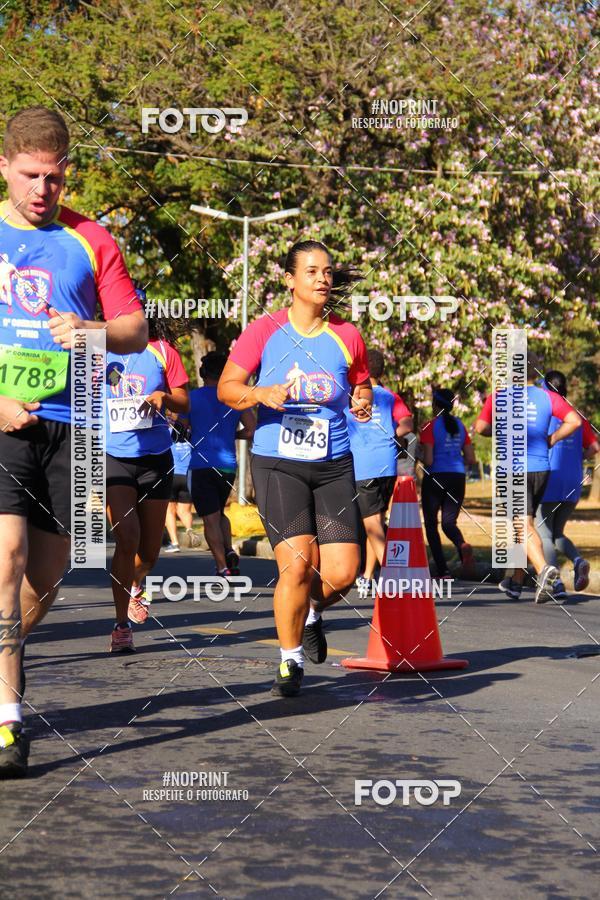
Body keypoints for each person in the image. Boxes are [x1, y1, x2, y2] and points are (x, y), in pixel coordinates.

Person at [0, 106, 147, 777]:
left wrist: (88, 330)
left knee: (49, 572)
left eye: (53, 179)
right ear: (5, 166)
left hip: (73, 424)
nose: (41, 190)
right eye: (29, 175)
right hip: (4, 420)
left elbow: (135, 329)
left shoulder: (93, 241)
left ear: (67, 176)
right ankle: (9, 721)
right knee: (6, 559)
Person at [218, 240, 371, 697]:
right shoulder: (263, 332)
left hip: (333, 462)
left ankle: (310, 612)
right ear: (290, 280)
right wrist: (260, 395)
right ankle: (290, 661)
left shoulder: (348, 335)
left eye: (327, 272)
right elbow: (228, 387)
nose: (323, 279)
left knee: (345, 571)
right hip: (279, 461)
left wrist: (361, 403)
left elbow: (361, 386)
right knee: (298, 566)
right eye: (311, 271)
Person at [105, 315, 189, 650]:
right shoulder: (97, 352)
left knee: (149, 554)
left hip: (155, 459)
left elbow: (184, 402)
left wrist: (163, 398)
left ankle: (136, 582)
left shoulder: (163, 352)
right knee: (127, 539)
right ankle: (121, 623)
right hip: (114, 458)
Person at [474, 354, 581, 603]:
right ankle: (516, 583)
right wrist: (552, 439)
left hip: (515, 470)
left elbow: (480, 428)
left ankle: (545, 571)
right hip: (541, 469)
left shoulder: (500, 396)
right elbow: (574, 421)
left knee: (523, 525)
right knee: (525, 524)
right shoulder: (548, 396)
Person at [345, 348, 413, 590]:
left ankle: (396, 576)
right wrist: (388, 435)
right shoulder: (389, 396)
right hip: (388, 463)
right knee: (375, 520)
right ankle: (367, 576)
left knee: (371, 524)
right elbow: (407, 424)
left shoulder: (351, 396)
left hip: (364, 464)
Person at [188, 351, 255, 576]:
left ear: (203, 373)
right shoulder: (235, 398)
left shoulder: (193, 398)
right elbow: (251, 429)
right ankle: (228, 550)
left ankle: (222, 567)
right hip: (228, 466)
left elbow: (180, 428)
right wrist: (233, 436)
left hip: (200, 465)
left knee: (210, 518)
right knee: (219, 512)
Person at [535, 370, 599, 600]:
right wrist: (575, 458)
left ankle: (557, 585)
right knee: (557, 532)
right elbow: (594, 448)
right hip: (573, 481)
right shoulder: (576, 414)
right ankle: (579, 561)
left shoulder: (544, 410)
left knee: (543, 534)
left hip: (549, 477)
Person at [419, 389, 476, 578]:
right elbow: (470, 458)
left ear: (435, 404)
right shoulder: (460, 425)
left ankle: (443, 571)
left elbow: (427, 460)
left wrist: (417, 453)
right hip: (457, 477)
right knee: (449, 522)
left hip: (436, 477)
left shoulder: (429, 426)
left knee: (430, 524)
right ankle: (462, 545)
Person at [164, 417, 199, 553]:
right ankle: (189, 530)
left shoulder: (167, 433)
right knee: (184, 511)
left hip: (172, 474)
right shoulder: (193, 435)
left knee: (169, 510)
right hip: (188, 475)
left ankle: (175, 542)